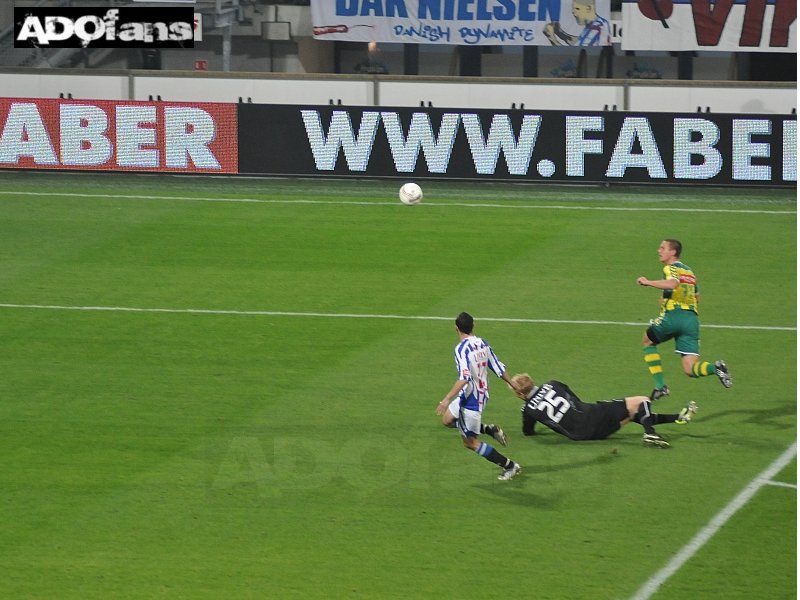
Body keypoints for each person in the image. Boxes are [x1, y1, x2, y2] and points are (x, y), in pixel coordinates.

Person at [637, 239, 732, 401]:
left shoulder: (670, 268)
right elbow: (697, 297)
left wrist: (648, 282)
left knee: (647, 341)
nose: (659, 251)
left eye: (662, 248)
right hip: (692, 321)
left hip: (675, 316)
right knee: (690, 369)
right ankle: (716, 367)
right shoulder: (689, 272)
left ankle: (660, 386)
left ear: (673, 252)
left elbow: (673, 284)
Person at [435, 312, 522, 481]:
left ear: (456, 328)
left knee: (471, 443)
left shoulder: (460, 349)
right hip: (477, 393)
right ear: (473, 326)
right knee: (447, 420)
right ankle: (488, 429)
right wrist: (512, 383)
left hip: (471, 402)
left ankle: (510, 466)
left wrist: (445, 400)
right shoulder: (482, 343)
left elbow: (464, 377)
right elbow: (497, 366)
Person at [511, 374, 697, 448]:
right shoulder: (552, 383)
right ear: (532, 381)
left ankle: (679, 417)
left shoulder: (528, 409)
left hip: (579, 435)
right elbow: (575, 399)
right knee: (642, 401)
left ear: (520, 394)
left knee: (634, 413)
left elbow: (528, 432)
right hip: (591, 416)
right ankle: (650, 433)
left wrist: (528, 410)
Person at [543, 0, 611, 46]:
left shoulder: (597, 27)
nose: (575, 14)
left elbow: (573, 51)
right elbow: (578, 41)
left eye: (577, 9)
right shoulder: (598, 23)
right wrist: (559, 32)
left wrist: (552, 38)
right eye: (573, 10)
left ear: (588, 8)